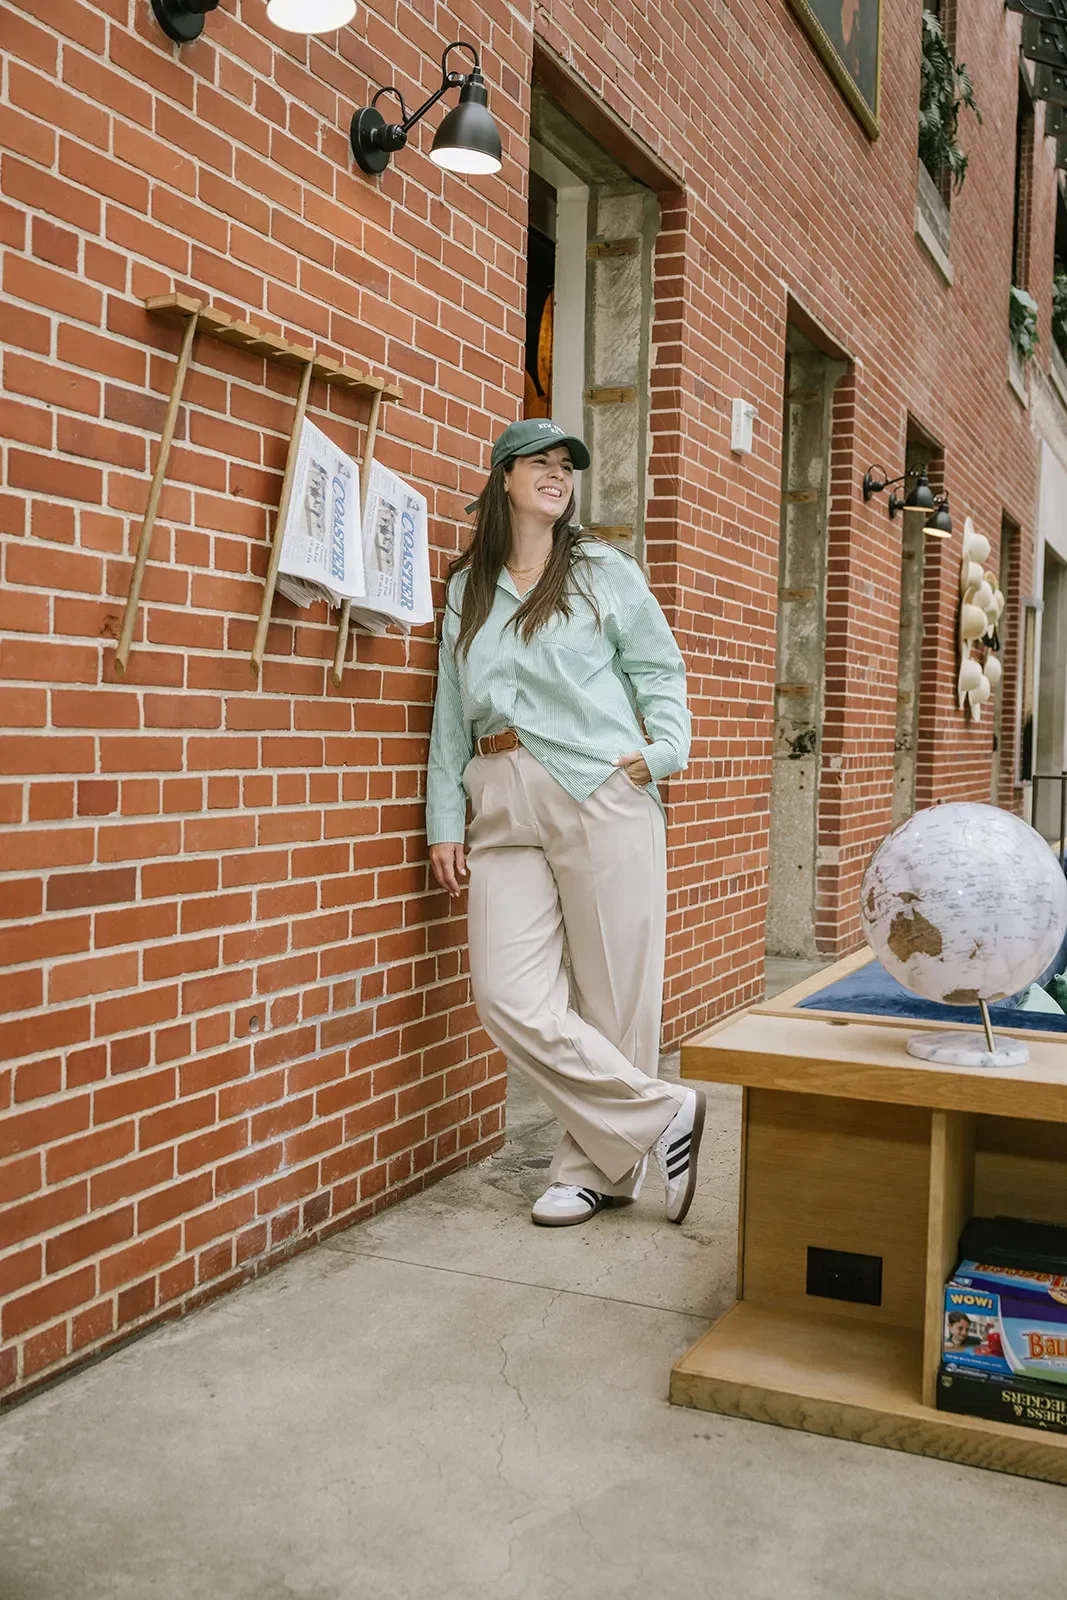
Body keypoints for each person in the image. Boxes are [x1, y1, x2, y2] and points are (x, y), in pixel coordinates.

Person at [426, 417, 704, 1228]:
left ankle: (592, 1172)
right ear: (503, 478)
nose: (555, 474)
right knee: (504, 994)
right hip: (499, 801)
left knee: (615, 995)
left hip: (600, 789)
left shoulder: (600, 572)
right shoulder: (466, 588)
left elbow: (658, 668)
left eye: (565, 466)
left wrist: (661, 754)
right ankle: (659, 1114)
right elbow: (449, 714)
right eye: (537, 463)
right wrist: (445, 819)